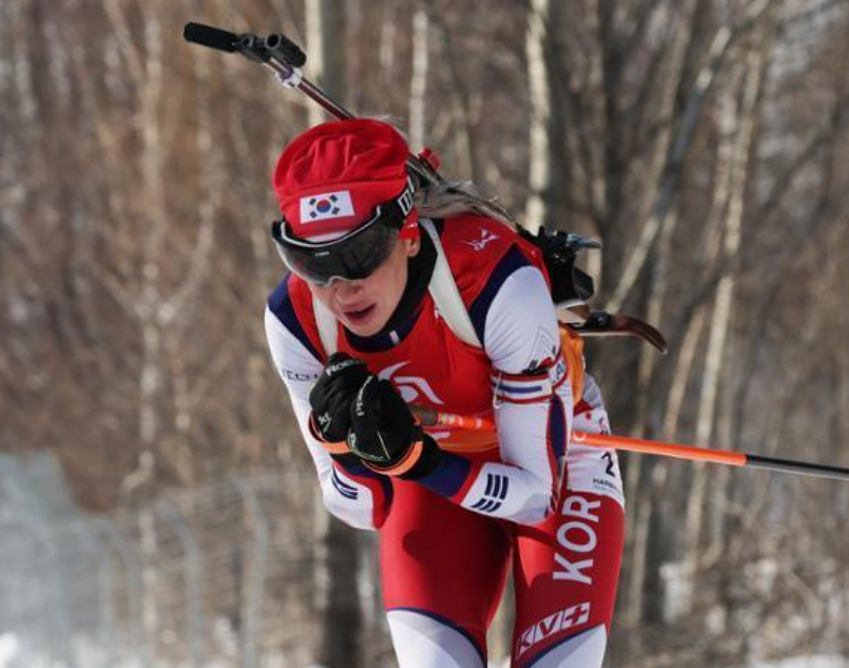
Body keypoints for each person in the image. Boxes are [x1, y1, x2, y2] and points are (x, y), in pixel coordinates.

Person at [264, 118, 625, 668]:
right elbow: (358, 506)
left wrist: (415, 458)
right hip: (432, 481)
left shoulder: (496, 283)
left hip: (561, 463)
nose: (341, 290)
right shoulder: (295, 319)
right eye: (313, 265)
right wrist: (345, 447)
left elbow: (535, 497)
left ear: (406, 234)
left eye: (358, 257)